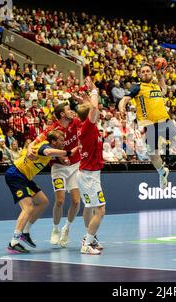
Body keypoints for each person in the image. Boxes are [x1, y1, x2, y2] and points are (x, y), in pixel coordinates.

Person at [5, 130, 78, 254]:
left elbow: (52, 154)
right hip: (15, 175)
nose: (63, 142)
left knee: (43, 202)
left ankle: (25, 232)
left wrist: (63, 159)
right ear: (53, 142)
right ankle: (13, 242)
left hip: (25, 178)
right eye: (61, 140)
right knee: (28, 208)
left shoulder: (50, 149)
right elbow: (48, 151)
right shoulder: (44, 146)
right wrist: (69, 152)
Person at [27, 102, 82, 248]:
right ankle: (56, 229)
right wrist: (29, 148)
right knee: (60, 201)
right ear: (62, 114)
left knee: (76, 201)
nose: (71, 111)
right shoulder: (52, 129)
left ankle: (66, 229)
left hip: (76, 166)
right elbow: (34, 142)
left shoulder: (76, 121)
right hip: (58, 167)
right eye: (68, 110)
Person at [75, 77, 105, 255]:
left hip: (88, 172)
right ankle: (87, 243)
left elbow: (90, 108)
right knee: (100, 210)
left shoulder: (83, 124)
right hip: (89, 174)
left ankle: (90, 239)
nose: (98, 112)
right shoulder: (87, 126)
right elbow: (93, 108)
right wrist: (94, 90)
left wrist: (86, 98)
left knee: (91, 207)